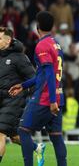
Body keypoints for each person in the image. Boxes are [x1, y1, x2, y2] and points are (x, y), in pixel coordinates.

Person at [8, 11, 67, 166]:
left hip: (45, 98)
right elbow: (44, 74)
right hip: (58, 96)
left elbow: (48, 74)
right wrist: (23, 85)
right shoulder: (56, 44)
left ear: (37, 26)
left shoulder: (42, 45)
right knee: (56, 136)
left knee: (23, 130)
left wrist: (52, 101)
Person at [0, 27, 43, 163]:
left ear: (8, 41)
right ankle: (37, 147)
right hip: (1, 99)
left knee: (0, 132)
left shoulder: (19, 57)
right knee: (14, 136)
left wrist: (30, 96)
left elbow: (33, 78)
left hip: (14, 100)